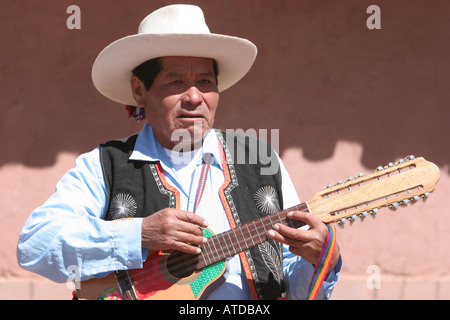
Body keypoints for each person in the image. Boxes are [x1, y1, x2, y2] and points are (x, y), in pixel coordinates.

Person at [17, 4, 341, 300]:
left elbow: (289, 282)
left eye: (205, 81)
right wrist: (140, 234)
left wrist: (319, 261)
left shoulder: (260, 160)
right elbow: (36, 244)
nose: (194, 97)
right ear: (139, 91)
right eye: (175, 82)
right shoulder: (104, 166)